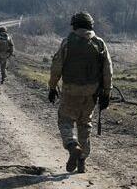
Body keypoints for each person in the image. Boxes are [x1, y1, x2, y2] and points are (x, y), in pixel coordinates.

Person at [48, 12, 113, 173]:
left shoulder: (67, 42)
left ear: (74, 25)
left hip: (70, 90)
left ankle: (72, 145)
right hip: (91, 93)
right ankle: (82, 160)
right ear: (91, 25)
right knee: (85, 125)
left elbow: (56, 66)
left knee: (65, 121)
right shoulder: (99, 43)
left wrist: (52, 87)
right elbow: (108, 70)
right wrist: (107, 92)